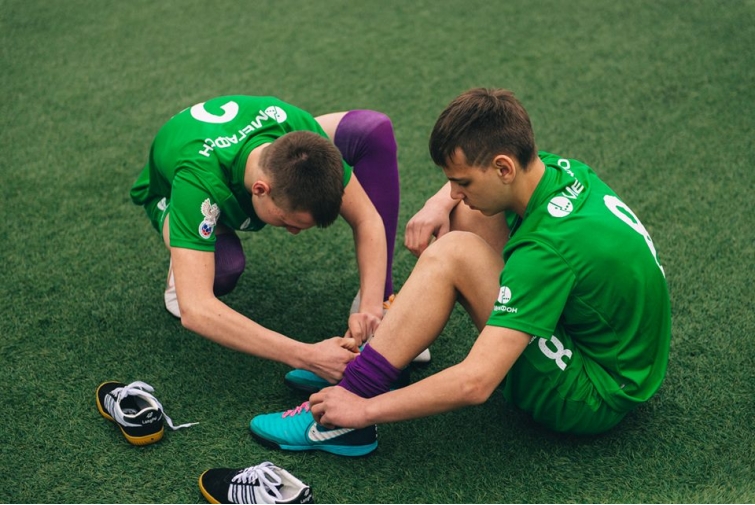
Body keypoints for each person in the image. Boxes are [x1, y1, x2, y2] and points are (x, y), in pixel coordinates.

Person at [248, 88, 671, 455]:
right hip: (618, 357)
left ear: (503, 167)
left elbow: (476, 383)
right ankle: (386, 358)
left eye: (462, 181)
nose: (454, 190)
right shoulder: (561, 171)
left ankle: (344, 416)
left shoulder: (546, 252)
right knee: (468, 216)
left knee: (453, 252)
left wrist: (364, 410)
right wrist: (439, 203)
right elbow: (473, 199)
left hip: (593, 395)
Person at [130, 95, 402, 383]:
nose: (293, 232)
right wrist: (307, 355)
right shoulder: (196, 181)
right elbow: (196, 310)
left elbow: (367, 218)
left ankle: (382, 304)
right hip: (170, 190)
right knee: (224, 268)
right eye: (288, 222)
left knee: (372, 130)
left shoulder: (303, 137)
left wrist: (370, 307)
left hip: (238, 144)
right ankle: (184, 257)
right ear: (260, 189)